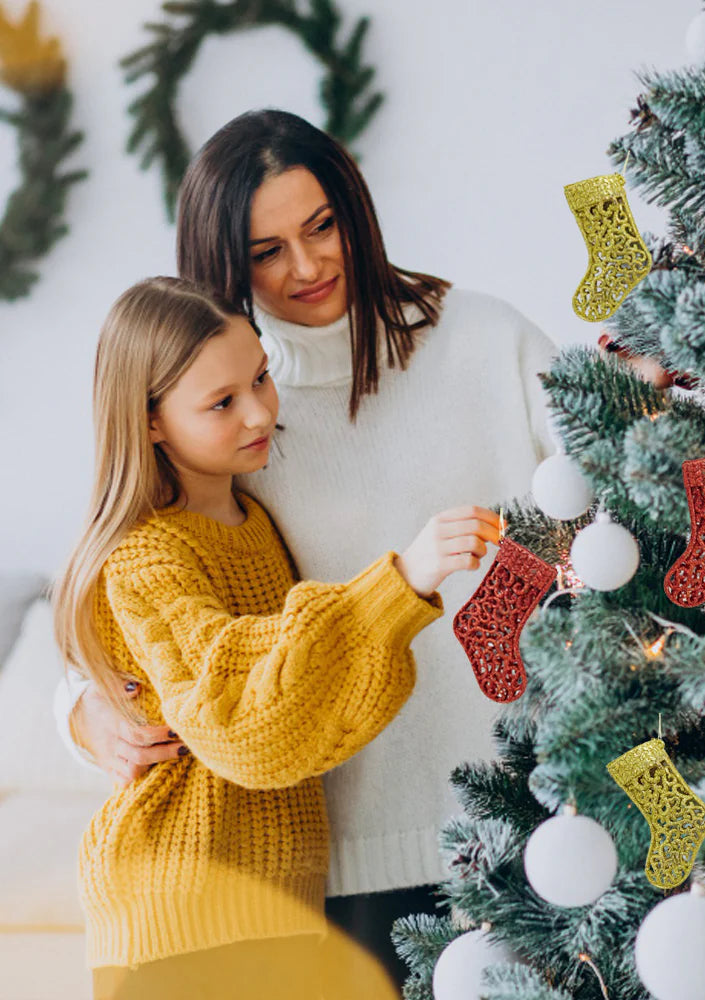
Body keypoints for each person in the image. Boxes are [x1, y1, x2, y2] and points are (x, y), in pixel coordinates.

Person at [55, 110, 556, 986]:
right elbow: (132, 581)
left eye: (322, 226)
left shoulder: (485, 341)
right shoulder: (217, 403)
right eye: (266, 251)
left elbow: (622, 490)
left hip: (531, 832)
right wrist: (80, 714)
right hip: (330, 877)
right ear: (224, 262)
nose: (309, 265)